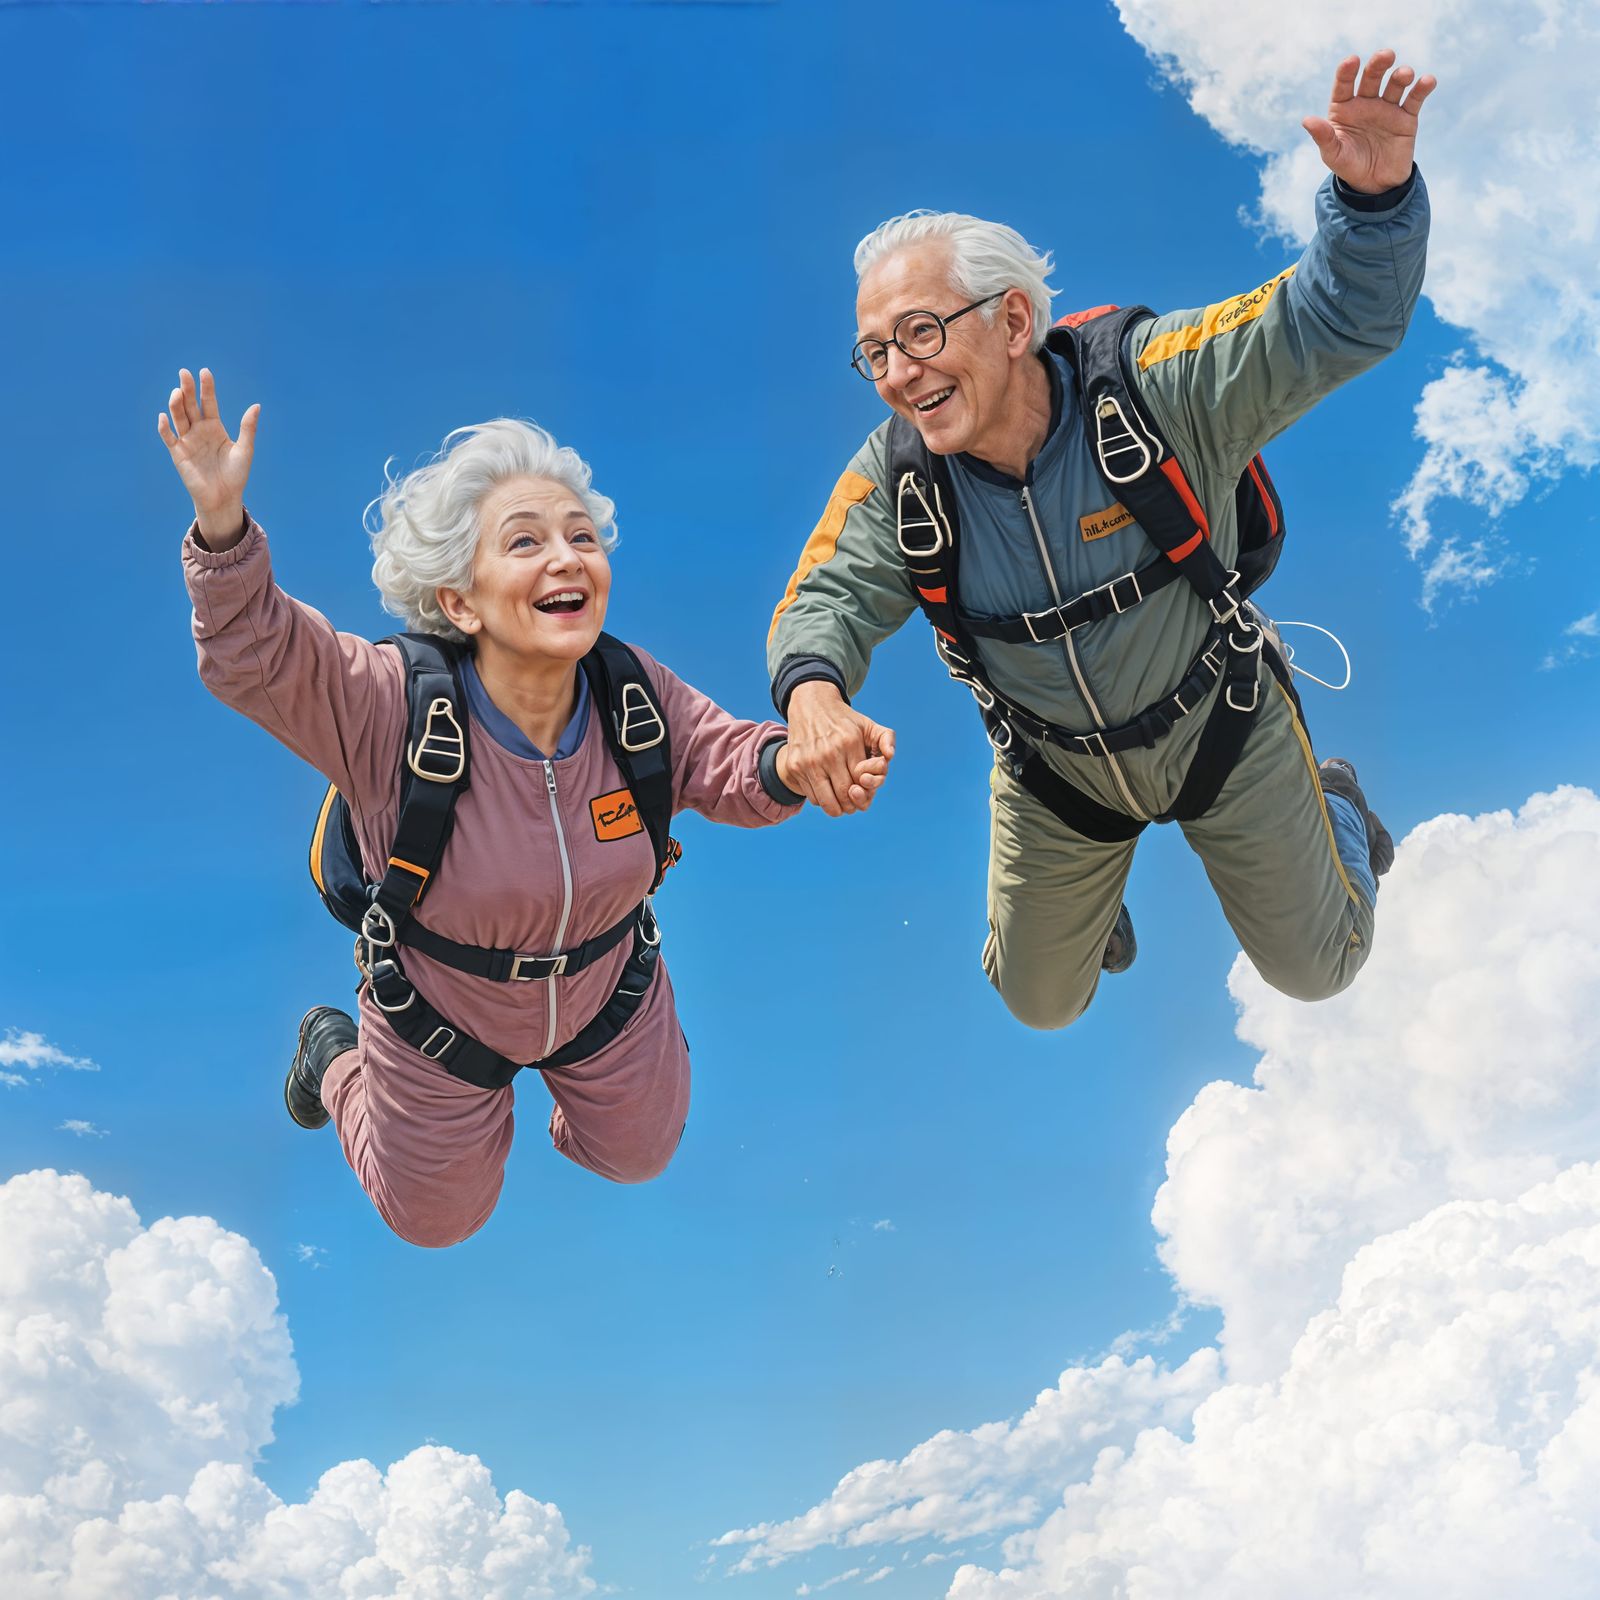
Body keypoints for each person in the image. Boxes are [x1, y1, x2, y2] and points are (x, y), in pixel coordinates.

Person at [769, 50, 1431, 1028]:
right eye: (874, 352)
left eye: (918, 334)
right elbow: (824, 598)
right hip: (1056, 767)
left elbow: (1334, 321)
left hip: (1220, 721)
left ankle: (1334, 800)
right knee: (1039, 1001)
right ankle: (1084, 907)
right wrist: (814, 699)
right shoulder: (896, 475)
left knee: (1319, 970)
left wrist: (1371, 206)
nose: (898, 375)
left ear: (1013, 320)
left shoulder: (1158, 381)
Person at [160, 373, 882, 1247]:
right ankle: (335, 1061)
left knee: (639, 1156)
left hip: (607, 987)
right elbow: (258, 658)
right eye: (527, 542)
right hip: (437, 1008)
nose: (567, 557)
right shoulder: (387, 702)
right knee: (434, 1222)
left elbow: (723, 761)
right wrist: (224, 530)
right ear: (459, 600)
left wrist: (795, 763)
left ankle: (567, 1095)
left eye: (582, 537)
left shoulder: (631, 693)